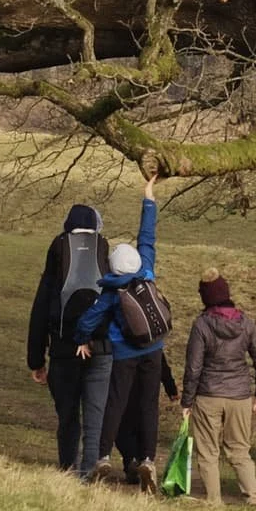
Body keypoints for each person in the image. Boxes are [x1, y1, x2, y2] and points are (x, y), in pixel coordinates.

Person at [75, 172, 168, 493]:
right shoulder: (147, 272)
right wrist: (148, 197)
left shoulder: (112, 292)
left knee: (115, 402)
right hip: (153, 350)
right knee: (148, 406)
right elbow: (147, 235)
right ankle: (148, 459)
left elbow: (89, 320)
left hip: (124, 355)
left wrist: (82, 339)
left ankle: (102, 456)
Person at [26, 203, 112, 481]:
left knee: (68, 415)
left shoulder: (58, 250)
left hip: (64, 350)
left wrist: (36, 360)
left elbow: (40, 310)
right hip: (101, 349)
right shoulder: (102, 249)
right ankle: (88, 473)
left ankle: (67, 470)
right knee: (94, 415)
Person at [180, 270, 256, 508]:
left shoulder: (201, 324)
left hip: (208, 395)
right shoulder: (246, 323)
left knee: (208, 452)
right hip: (240, 396)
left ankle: (214, 501)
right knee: (240, 451)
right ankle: (254, 500)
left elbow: (193, 367)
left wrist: (186, 402)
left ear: (205, 297)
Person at [115, 352, 180, 484]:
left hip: (124, 390)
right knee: (145, 427)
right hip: (147, 391)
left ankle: (130, 460)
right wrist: (171, 388)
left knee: (123, 429)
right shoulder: (150, 340)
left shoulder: (120, 338)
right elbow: (162, 364)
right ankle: (145, 461)